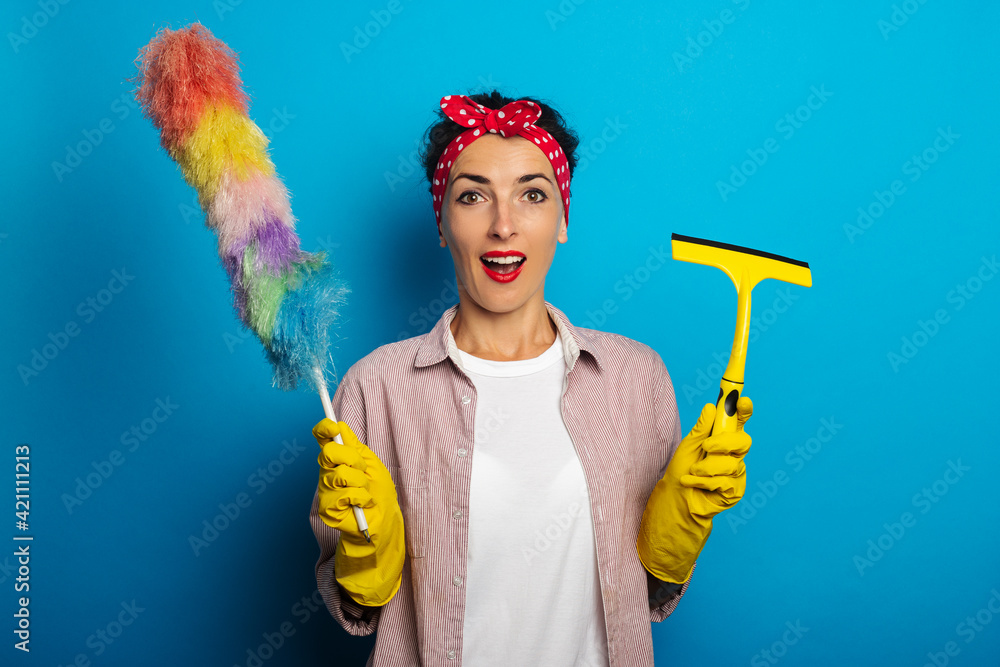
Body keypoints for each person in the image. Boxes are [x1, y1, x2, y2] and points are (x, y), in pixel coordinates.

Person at [308, 91, 754, 666]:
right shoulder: (376, 386)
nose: (503, 225)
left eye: (532, 194)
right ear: (442, 225)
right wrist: (367, 554)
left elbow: (649, 597)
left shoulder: (635, 377)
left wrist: (679, 531)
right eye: (472, 196)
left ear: (562, 219)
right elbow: (355, 612)